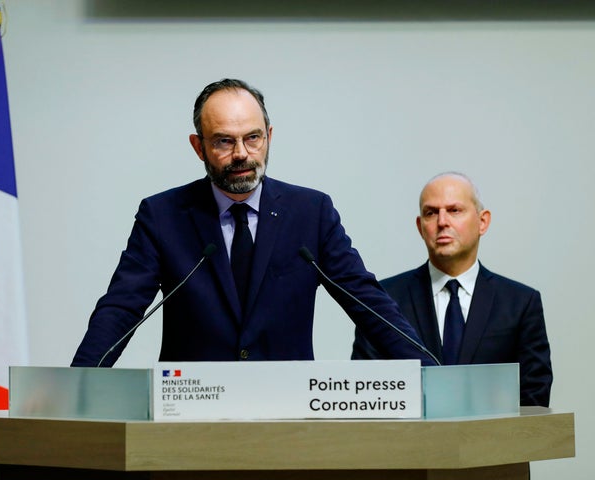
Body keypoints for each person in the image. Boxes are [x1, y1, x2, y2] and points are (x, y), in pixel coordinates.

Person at [71, 78, 436, 367]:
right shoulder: (163, 216)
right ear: (198, 147)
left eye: (253, 138)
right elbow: (122, 307)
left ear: (269, 137)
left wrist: (431, 375)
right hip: (190, 414)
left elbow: (367, 302)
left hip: (287, 412)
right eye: (224, 142)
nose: (242, 154)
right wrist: (80, 386)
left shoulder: (311, 212)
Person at [352, 172, 552, 406]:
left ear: (483, 221)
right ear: (420, 226)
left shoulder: (520, 303)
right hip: (407, 440)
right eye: (431, 212)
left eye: (454, 210)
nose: (442, 221)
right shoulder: (384, 300)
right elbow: (366, 393)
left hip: (493, 440)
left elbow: (534, 397)